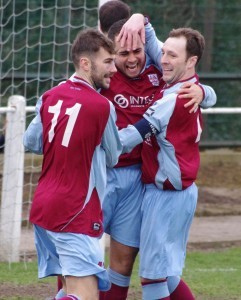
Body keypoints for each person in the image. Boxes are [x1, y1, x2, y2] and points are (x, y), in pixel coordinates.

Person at [98, 18, 216, 300]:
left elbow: (132, 136)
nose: (162, 59)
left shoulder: (172, 96)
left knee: (152, 275)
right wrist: (140, 17)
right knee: (162, 273)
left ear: (191, 62)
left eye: (171, 55)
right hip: (156, 189)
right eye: (162, 53)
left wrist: (95, 140)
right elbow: (152, 41)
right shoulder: (177, 83)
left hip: (165, 193)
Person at [23, 28, 122, 300]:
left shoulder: (49, 96)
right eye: (108, 62)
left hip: (44, 207)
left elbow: (31, 141)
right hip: (77, 209)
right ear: (85, 63)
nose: (114, 68)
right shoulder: (102, 106)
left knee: (70, 290)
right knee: (86, 295)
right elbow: (114, 156)